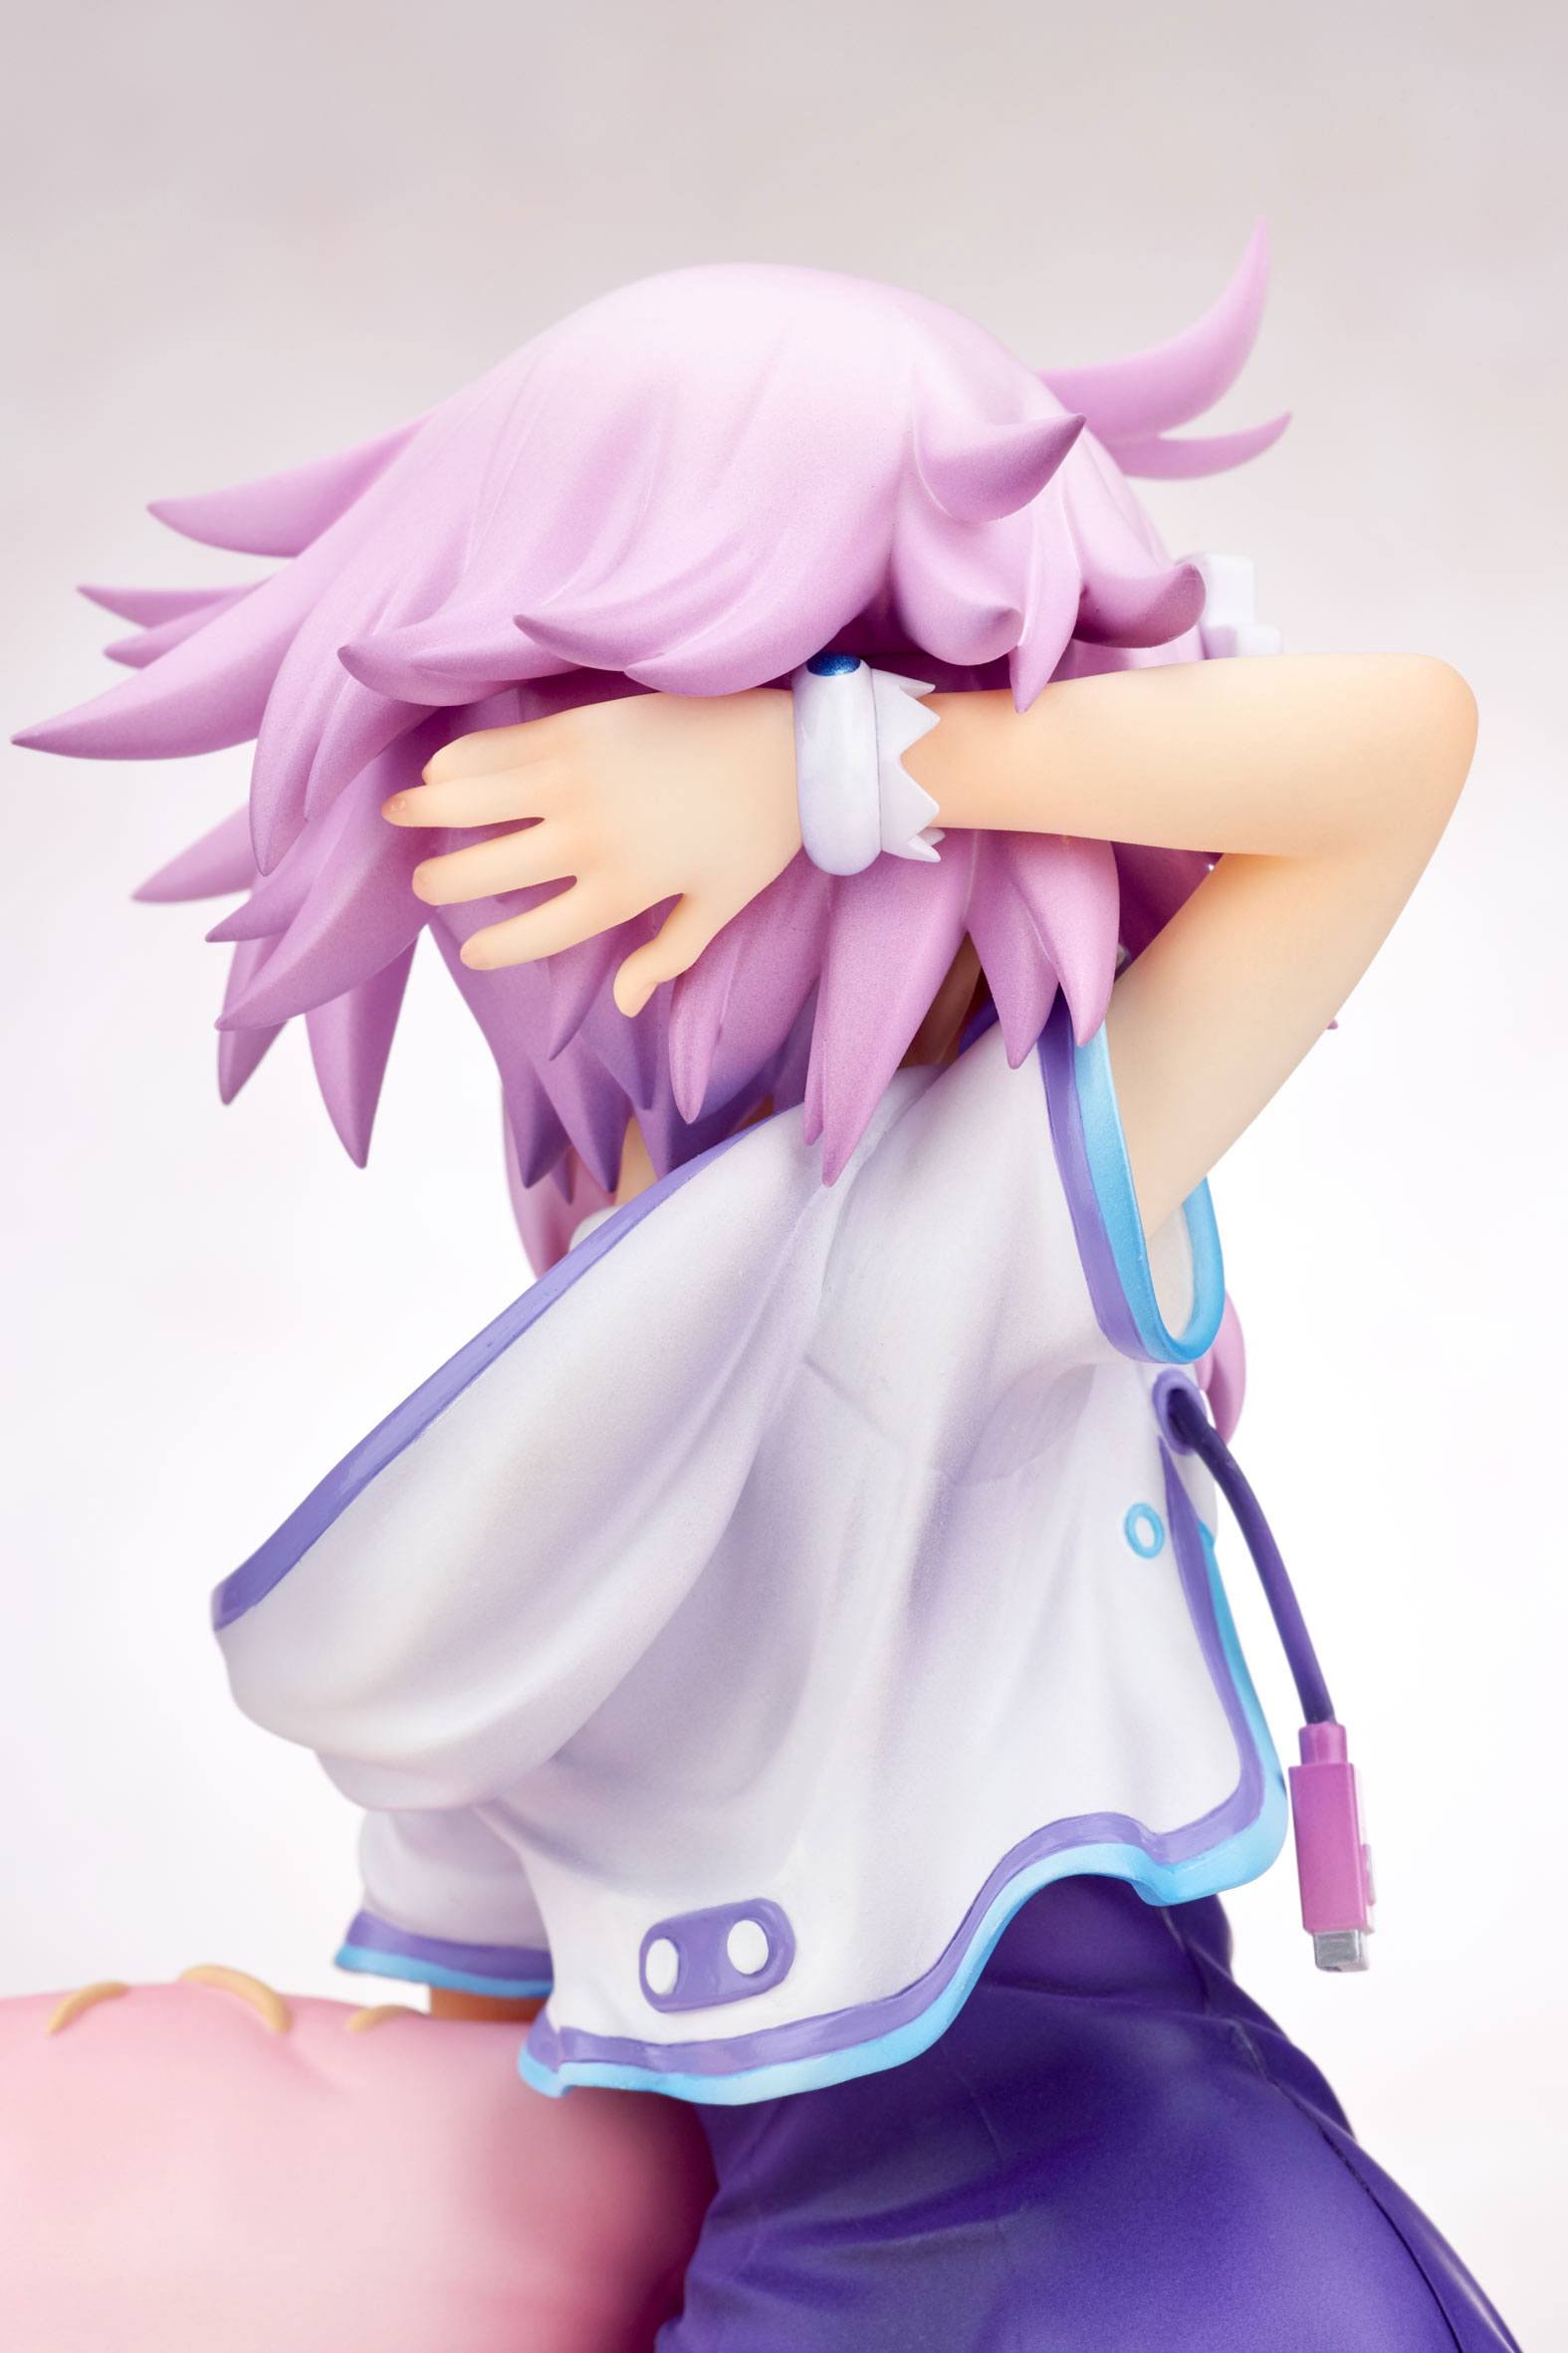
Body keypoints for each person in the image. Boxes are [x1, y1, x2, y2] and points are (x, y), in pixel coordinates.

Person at [17, 232, 1517, 2348]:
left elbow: (1390, 754)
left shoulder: (985, 1201)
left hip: (1146, 2247)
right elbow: (527, 2098)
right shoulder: (561, 1387)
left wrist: (835, 770)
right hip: (801, 2275)